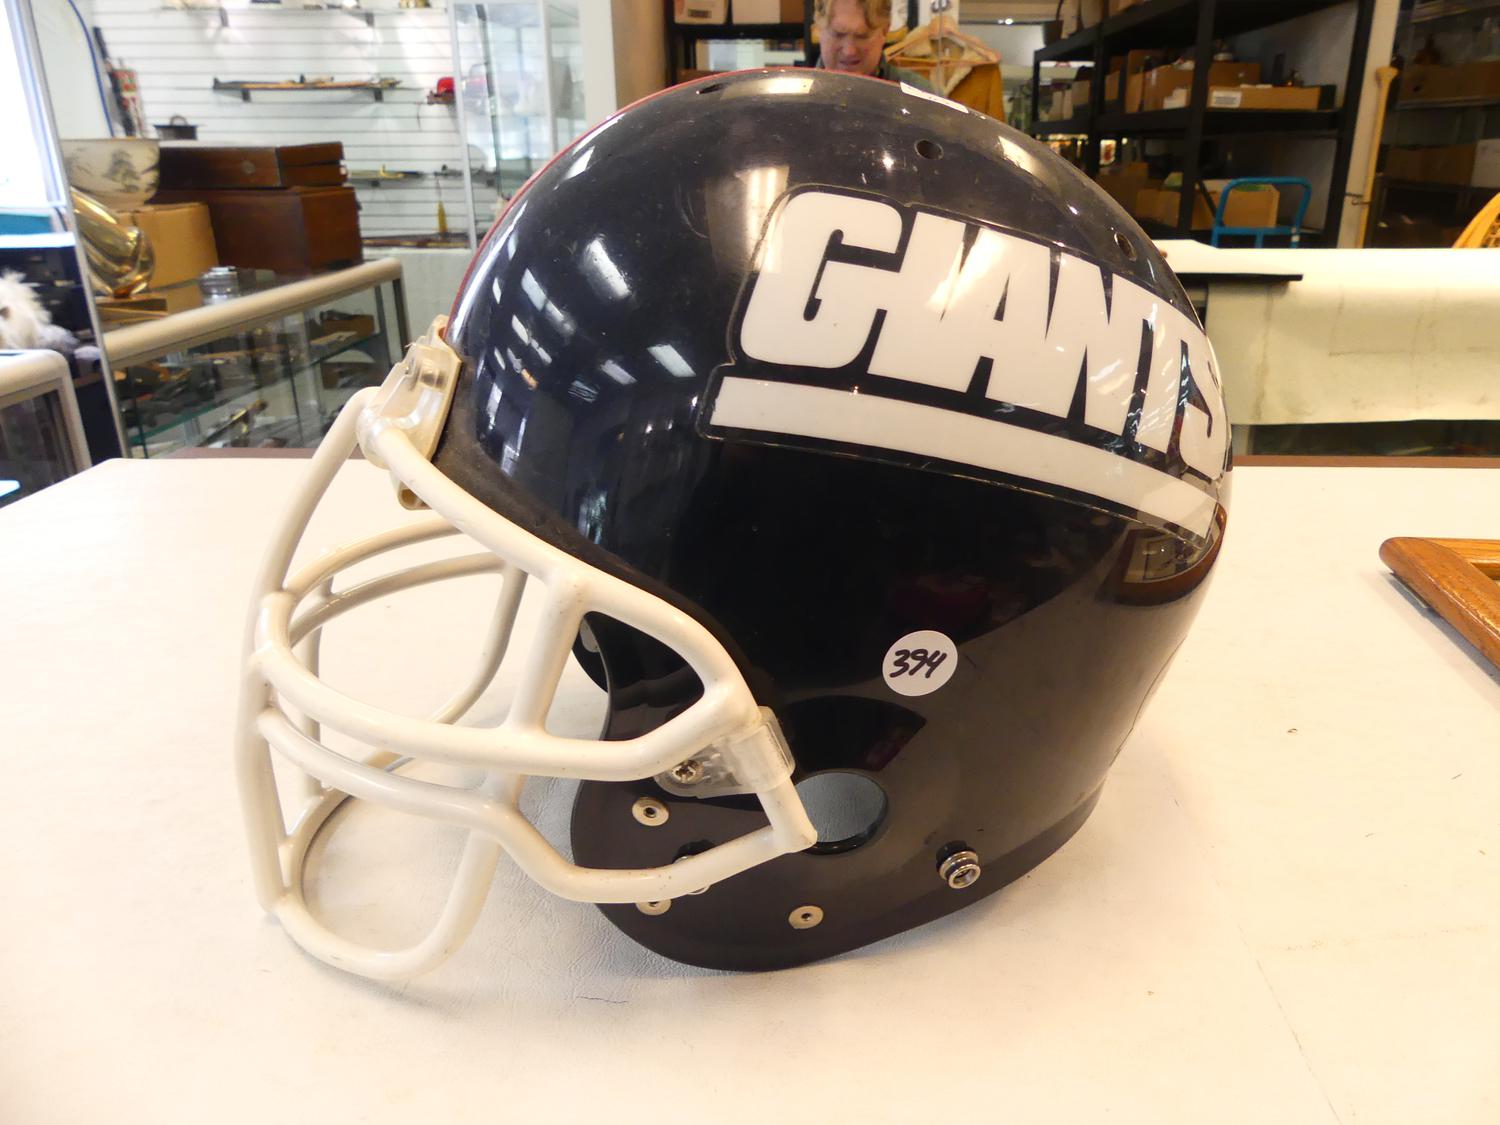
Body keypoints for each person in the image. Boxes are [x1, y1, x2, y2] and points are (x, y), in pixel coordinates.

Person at [815, 0, 934, 92]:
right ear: (818, 28)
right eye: (838, 34)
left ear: (885, 31)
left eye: (862, 36)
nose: (849, 51)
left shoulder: (920, 99)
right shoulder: (802, 100)